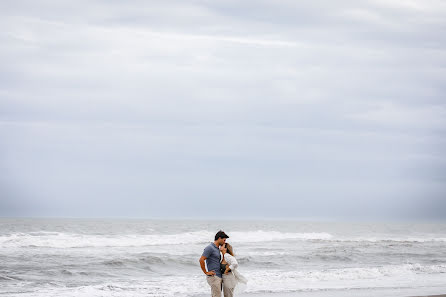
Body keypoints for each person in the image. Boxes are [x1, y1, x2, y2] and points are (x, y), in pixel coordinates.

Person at [199, 231, 229, 297]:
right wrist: (206, 272)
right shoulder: (210, 248)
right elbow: (201, 259)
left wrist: (223, 252)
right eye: (224, 240)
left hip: (218, 276)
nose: (225, 242)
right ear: (219, 238)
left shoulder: (217, 249)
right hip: (214, 276)